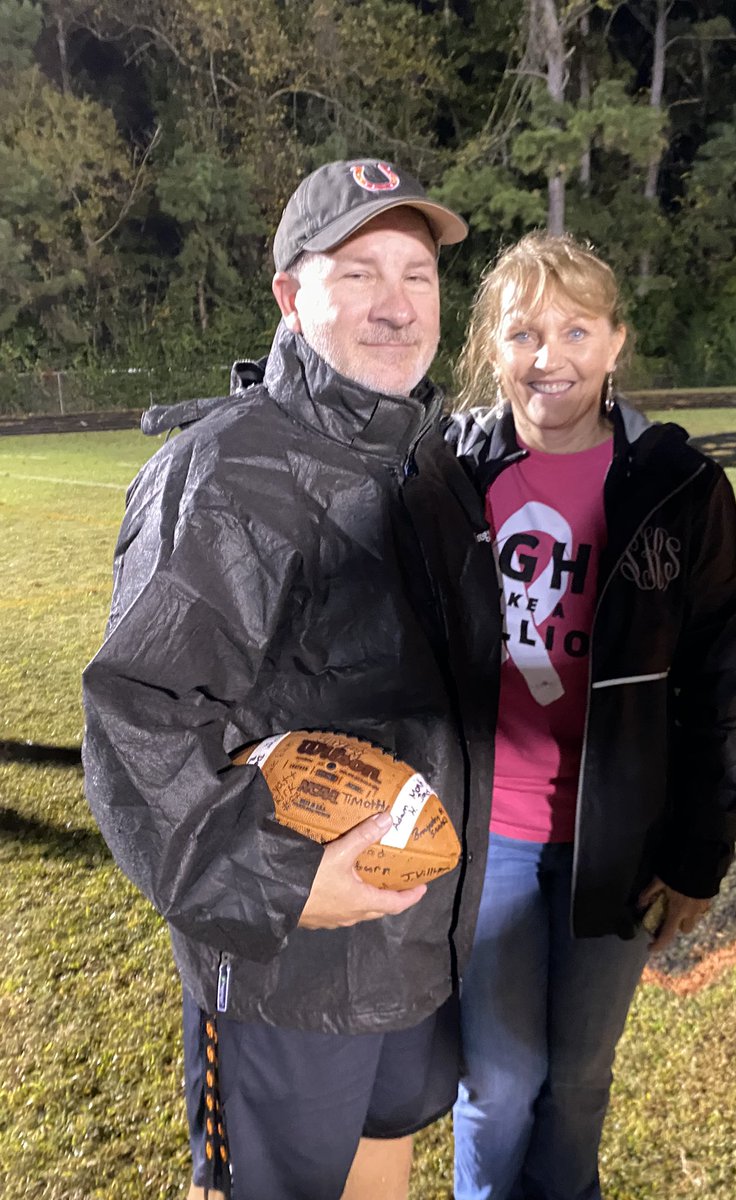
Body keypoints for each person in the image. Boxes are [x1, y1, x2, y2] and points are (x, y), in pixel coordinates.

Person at [81, 159, 501, 1200]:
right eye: (358, 272)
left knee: (385, 1145)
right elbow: (139, 722)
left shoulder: (436, 466)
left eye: (418, 273)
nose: (397, 304)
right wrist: (282, 882)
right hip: (287, 961)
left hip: (412, 932)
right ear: (290, 295)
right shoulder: (224, 474)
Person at [444, 231, 736, 1200]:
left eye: (577, 329)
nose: (552, 358)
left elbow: (724, 682)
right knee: (500, 1087)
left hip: (615, 840)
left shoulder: (681, 488)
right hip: (485, 832)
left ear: (617, 342)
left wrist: (697, 852)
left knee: (578, 1083)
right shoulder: (448, 477)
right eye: (525, 332)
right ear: (491, 348)